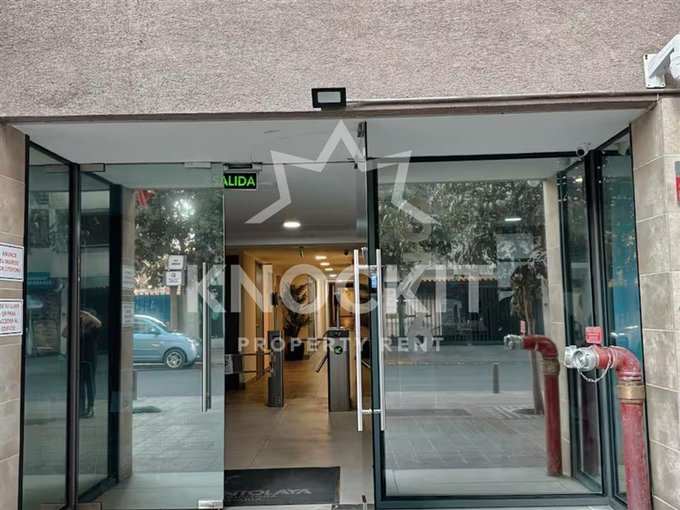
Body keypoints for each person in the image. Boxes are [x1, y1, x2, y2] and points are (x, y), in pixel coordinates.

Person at [62, 309, 102, 418]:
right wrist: (73, 321)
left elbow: (98, 323)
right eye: (82, 316)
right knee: (79, 384)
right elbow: (64, 334)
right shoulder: (77, 327)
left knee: (90, 383)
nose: (83, 318)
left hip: (90, 358)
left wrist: (88, 315)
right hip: (78, 358)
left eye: (86, 317)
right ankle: (80, 408)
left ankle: (91, 407)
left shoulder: (94, 328)